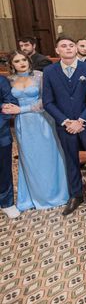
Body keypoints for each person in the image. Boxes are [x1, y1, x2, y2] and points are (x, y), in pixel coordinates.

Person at [4, 52, 68, 212]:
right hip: (23, 125)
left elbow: (45, 100)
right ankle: (34, 195)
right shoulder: (9, 80)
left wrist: (21, 109)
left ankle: (56, 193)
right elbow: (7, 101)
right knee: (30, 159)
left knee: (49, 157)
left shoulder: (40, 76)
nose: (21, 63)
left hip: (42, 121)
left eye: (24, 59)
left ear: (29, 61)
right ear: (12, 65)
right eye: (17, 61)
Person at [42, 36, 86, 215]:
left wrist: (81, 120)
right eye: (63, 46)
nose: (68, 48)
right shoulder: (49, 71)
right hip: (64, 124)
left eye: (71, 45)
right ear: (57, 50)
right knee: (71, 160)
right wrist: (66, 121)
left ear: (76, 49)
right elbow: (48, 102)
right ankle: (76, 195)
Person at [0, 75, 19, 218]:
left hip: (1, 134)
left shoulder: (1, 80)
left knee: (4, 170)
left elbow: (10, 103)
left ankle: (7, 203)